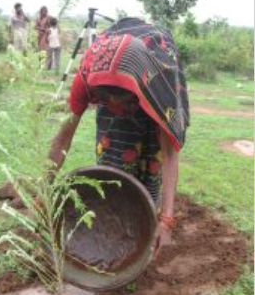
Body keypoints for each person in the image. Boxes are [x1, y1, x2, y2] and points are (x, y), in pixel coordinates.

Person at [48, 17, 190, 259]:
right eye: (107, 101)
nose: (118, 108)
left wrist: (167, 219)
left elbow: (168, 154)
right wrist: (44, 189)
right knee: (113, 159)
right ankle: (111, 226)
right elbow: (63, 138)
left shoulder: (161, 83)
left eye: (124, 103)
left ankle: (144, 228)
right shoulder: (88, 73)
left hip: (151, 81)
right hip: (120, 78)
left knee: (151, 166)